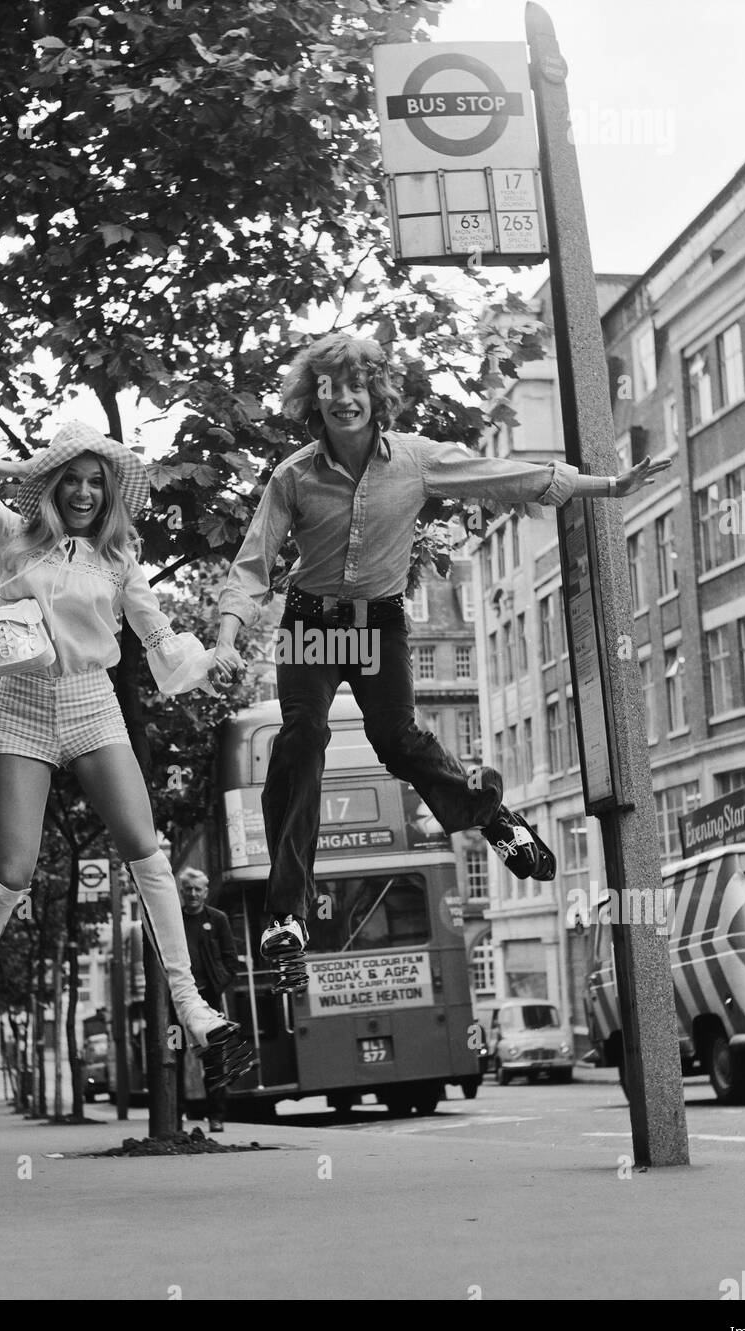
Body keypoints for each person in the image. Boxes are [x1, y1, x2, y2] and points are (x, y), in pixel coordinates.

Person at [213, 334, 672, 992]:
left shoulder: (418, 461)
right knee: (302, 735)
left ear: (376, 394)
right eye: (328, 386)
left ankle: (493, 817)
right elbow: (252, 565)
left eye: (355, 384)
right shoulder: (294, 476)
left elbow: (513, 476)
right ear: (313, 397)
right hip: (312, 623)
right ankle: (287, 916)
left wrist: (608, 486)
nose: (342, 398)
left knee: (399, 740)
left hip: (378, 623)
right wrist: (228, 638)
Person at [0, 420, 253, 1089]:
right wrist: (15, 471)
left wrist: (212, 659)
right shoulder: (10, 533)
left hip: (92, 703)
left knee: (147, 851)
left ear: (108, 491)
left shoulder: (119, 554)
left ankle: (192, 1006)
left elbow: (155, 633)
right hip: (21, 703)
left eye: (94, 480)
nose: (82, 491)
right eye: (70, 477)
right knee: (12, 872)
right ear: (51, 485)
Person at [175, 868, 239, 1132]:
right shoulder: (173, 920)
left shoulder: (218, 919)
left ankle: (216, 1117)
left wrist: (215, 987)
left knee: (214, 1059)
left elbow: (231, 961)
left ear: (205, 892)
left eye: (197, 889)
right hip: (175, 1007)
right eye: (187, 888)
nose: (192, 893)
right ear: (181, 891)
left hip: (209, 1005)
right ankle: (175, 1115)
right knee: (174, 1057)